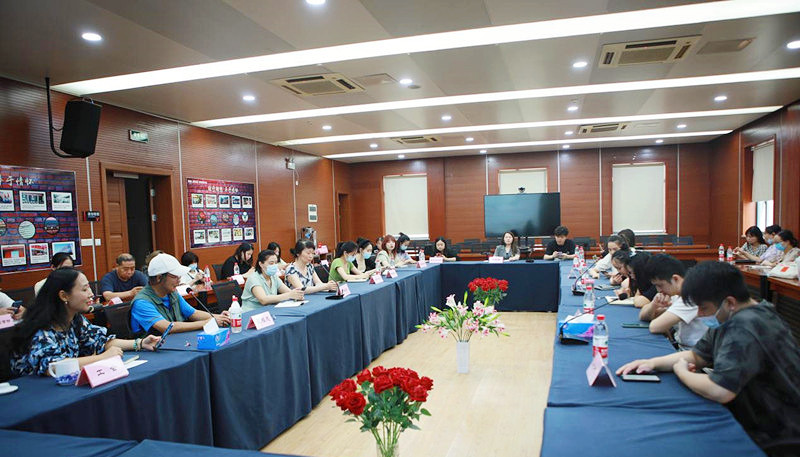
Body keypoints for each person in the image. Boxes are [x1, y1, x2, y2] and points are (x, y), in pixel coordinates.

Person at [617, 262, 800, 451]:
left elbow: (720, 390)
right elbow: (698, 355)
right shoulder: (730, 315)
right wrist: (652, 363)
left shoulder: (747, 325)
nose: (699, 314)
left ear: (729, 302)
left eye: (703, 308)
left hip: (778, 433)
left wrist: (682, 372)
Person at [10, 268, 161, 377]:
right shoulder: (40, 327)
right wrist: (103, 358)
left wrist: (140, 343)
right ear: (64, 296)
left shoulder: (75, 319)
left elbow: (102, 341)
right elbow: (53, 367)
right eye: (84, 290)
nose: (91, 295)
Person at [130, 254, 231, 335]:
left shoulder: (172, 293)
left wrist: (218, 317)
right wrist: (207, 322)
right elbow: (167, 327)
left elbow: (193, 313)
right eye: (175, 277)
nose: (179, 280)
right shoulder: (142, 302)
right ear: (159, 278)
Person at [639, 254, 707, 348]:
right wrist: (654, 305)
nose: (658, 290)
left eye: (660, 285)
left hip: (694, 352)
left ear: (675, 279)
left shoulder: (691, 296)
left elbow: (655, 327)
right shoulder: (675, 293)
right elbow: (643, 315)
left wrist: (657, 312)